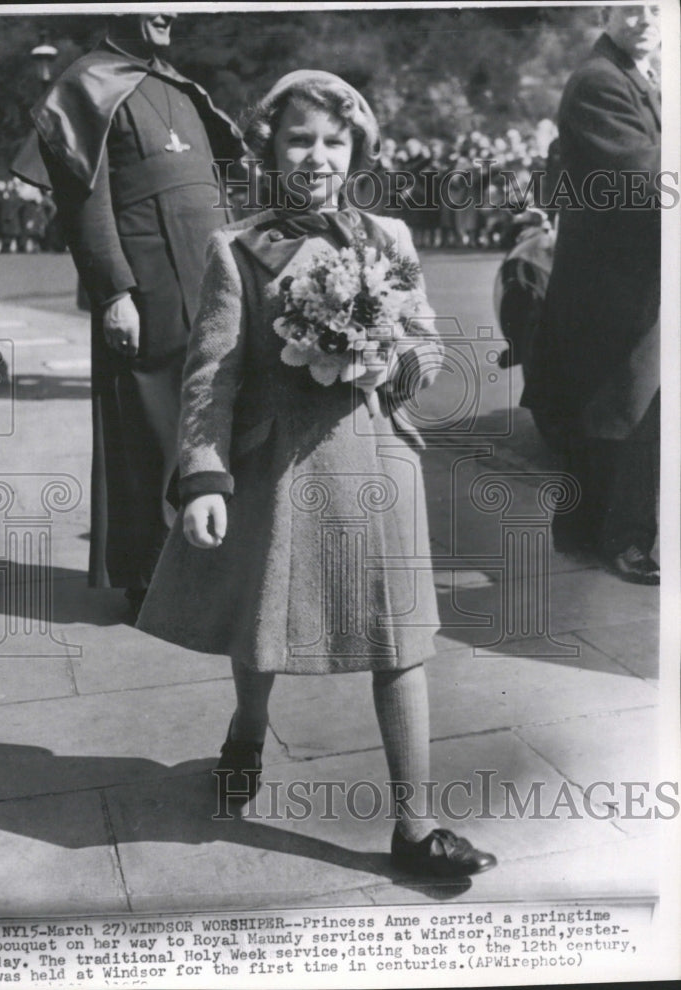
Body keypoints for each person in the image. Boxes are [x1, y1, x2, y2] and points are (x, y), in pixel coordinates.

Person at [137, 70, 496, 878]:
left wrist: (395, 359)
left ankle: (416, 826)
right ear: (269, 145)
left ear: (356, 150)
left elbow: (427, 341)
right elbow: (212, 375)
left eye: (334, 141)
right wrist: (203, 477)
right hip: (283, 466)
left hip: (378, 458)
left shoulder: (389, 238)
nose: (316, 156)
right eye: (299, 137)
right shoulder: (238, 248)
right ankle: (246, 734)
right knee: (263, 627)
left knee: (399, 638)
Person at [27, 13, 246, 615]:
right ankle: (153, 578)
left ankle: (215, 565)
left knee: (211, 420)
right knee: (149, 431)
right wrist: (114, 293)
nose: (169, 11)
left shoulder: (177, 84)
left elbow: (220, 188)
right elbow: (83, 203)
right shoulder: (84, 84)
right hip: (146, 291)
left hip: (210, 279)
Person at [521, 4, 661, 584]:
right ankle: (619, 541)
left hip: (623, 273)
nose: (647, 17)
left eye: (657, 6)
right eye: (633, 7)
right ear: (606, 12)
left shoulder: (635, 73)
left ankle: (589, 533)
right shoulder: (602, 79)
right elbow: (644, 177)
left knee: (614, 409)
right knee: (624, 412)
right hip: (616, 278)